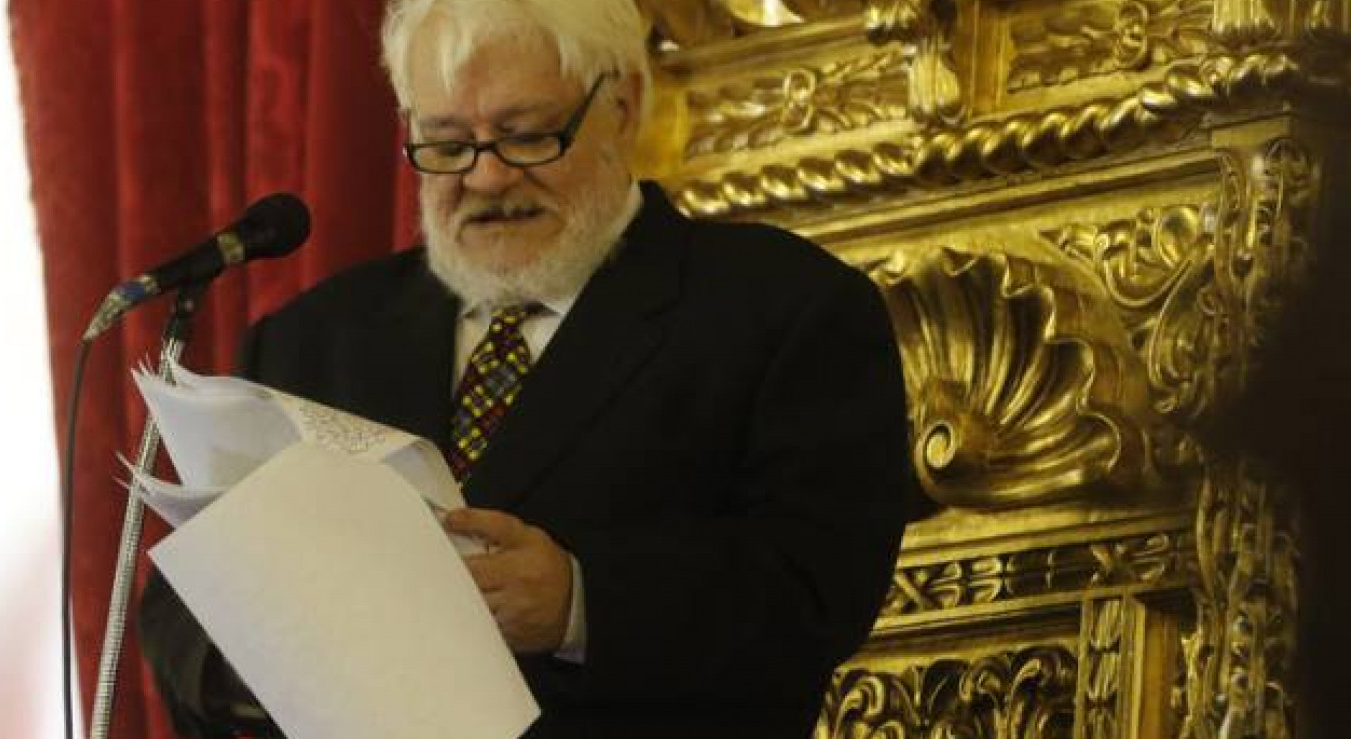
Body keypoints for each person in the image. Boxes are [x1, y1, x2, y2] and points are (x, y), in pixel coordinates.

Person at [138, 0, 916, 736]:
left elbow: (814, 588)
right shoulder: (312, 341)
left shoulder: (783, 310)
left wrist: (581, 603)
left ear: (623, 106)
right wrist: (270, 661)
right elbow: (183, 608)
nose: (485, 177)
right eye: (446, 145)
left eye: (527, 135)